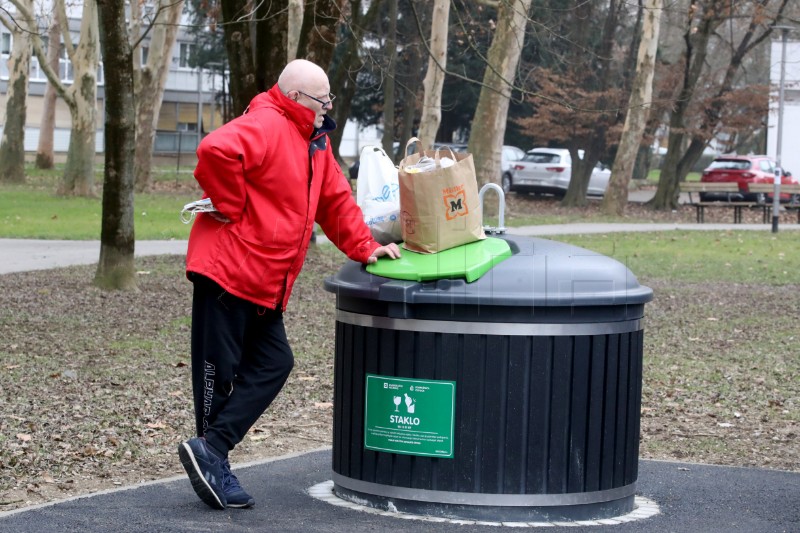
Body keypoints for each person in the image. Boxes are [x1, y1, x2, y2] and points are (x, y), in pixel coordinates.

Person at [177, 59, 401, 510]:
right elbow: (215, 150)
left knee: (275, 363)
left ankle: (212, 451)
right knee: (216, 376)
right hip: (228, 272)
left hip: (265, 282)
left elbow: (335, 201)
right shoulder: (265, 123)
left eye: (330, 98)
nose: (329, 106)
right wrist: (232, 204)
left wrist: (365, 247)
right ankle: (213, 459)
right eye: (323, 99)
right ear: (297, 98)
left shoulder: (316, 141)